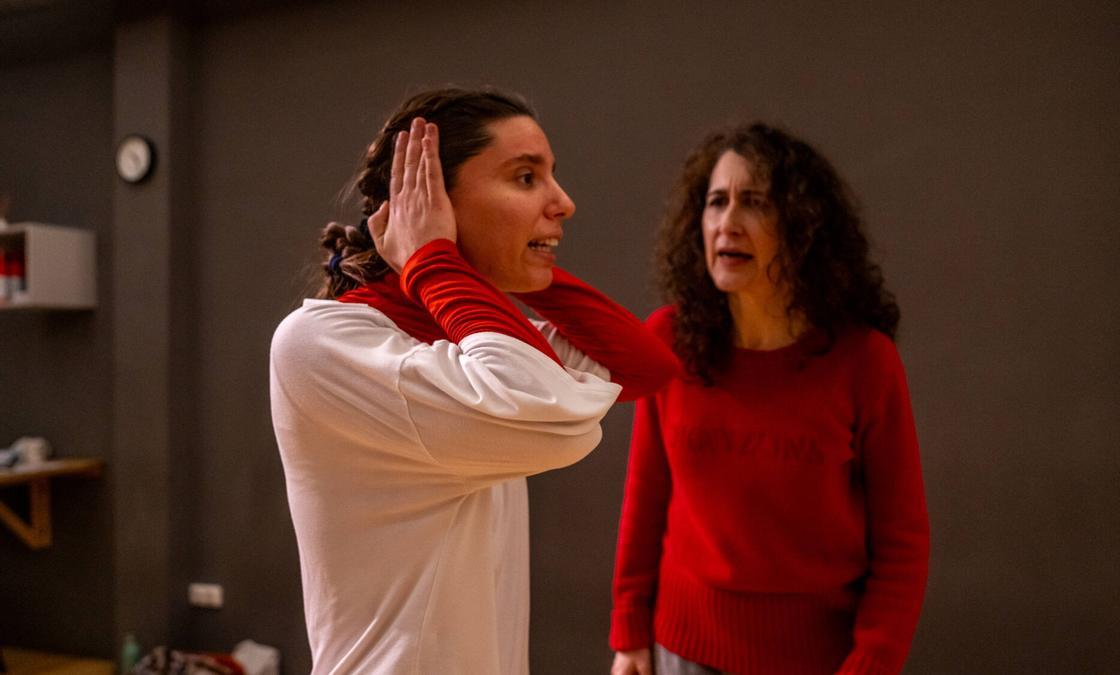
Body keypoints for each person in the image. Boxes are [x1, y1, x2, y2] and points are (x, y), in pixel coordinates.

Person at [269, 87, 677, 674]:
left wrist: (477, 265)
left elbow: (646, 366)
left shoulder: (475, 335)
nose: (563, 202)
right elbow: (540, 407)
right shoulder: (322, 345)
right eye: (525, 178)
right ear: (432, 199)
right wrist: (436, 258)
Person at [609, 123, 929, 675]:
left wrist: (873, 662)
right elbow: (645, 502)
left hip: (820, 662)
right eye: (716, 202)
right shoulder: (667, 341)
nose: (727, 222)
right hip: (680, 652)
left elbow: (902, 540)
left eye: (753, 202)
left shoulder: (864, 361)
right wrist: (629, 634)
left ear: (802, 227)